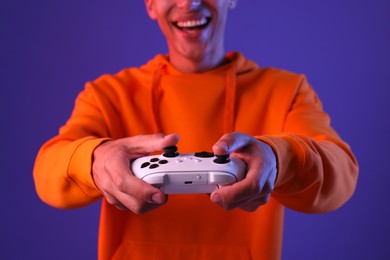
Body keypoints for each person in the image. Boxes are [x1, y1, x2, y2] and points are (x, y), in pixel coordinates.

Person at [33, 0, 359, 259]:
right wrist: (96, 159)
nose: (188, 2)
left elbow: (341, 178)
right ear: (150, 4)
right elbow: (47, 173)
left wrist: (279, 157)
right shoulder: (107, 95)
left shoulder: (287, 91)